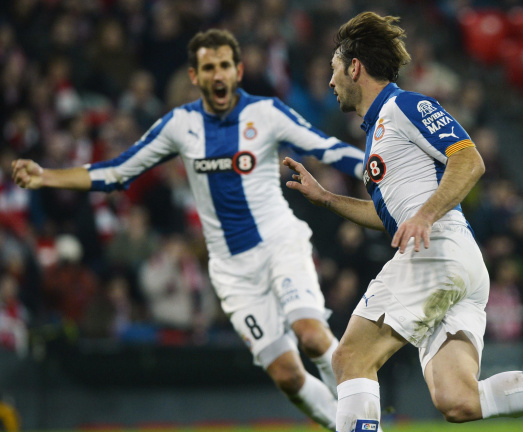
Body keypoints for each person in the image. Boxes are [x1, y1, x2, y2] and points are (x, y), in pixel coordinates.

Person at [282, 12, 523, 432]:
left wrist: (425, 215)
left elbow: (469, 160)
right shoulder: (378, 131)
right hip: (457, 263)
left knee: (350, 358)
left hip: (436, 252)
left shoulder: (404, 106)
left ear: (354, 67)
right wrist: (327, 199)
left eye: (333, 69)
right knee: (458, 400)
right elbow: (392, 219)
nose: (330, 82)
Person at [12, 29, 367, 431]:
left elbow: (327, 148)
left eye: (225, 65)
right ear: (195, 76)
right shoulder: (180, 125)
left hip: (280, 244)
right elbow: (117, 171)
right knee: (286, 375)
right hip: (232, 270)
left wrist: (376, 168)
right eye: (208, 67)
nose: (218, 74)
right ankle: (346, 423)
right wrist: (47, 176)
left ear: (238, 71)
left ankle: (364, 422)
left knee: (312, 336)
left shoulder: (266, 113)